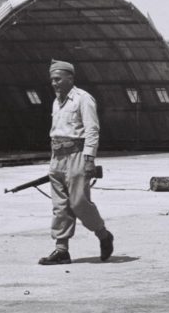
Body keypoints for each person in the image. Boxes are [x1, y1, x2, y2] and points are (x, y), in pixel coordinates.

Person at [38, 60, 114, 265]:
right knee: (60, 206)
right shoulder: (56, 101)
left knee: (79, 203)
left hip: (77, 156)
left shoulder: (83, 99)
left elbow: (92, 129)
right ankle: (61, 250)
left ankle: (103, 235)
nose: (54, 83)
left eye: (58, 79)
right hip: (57, 157)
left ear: (70, 78)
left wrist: (90, 159)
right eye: (52, 79)